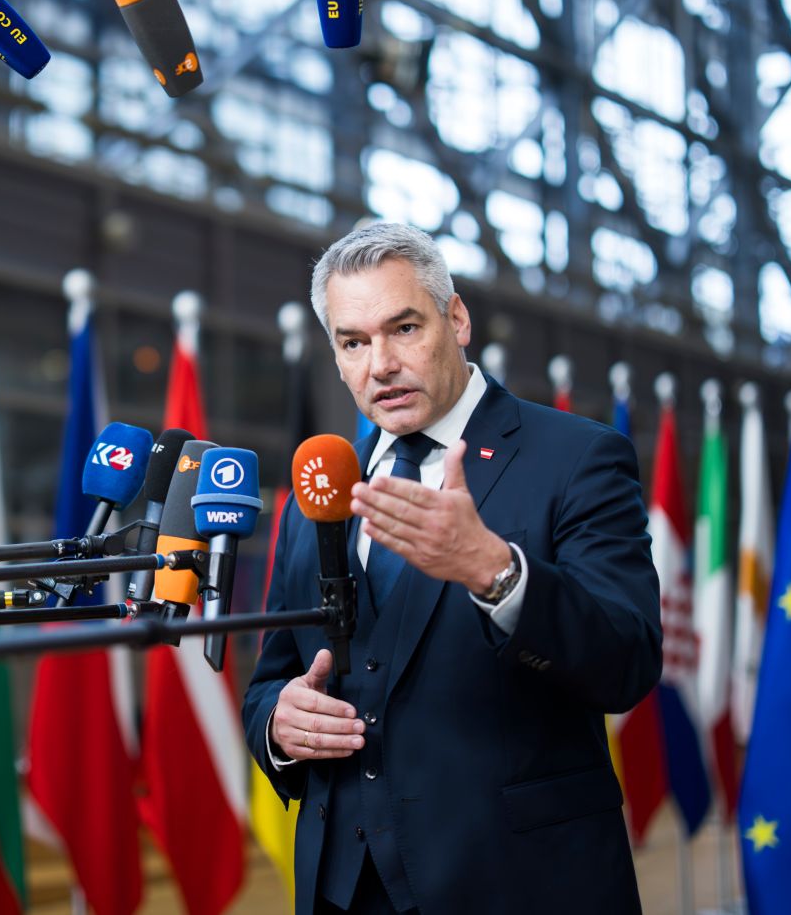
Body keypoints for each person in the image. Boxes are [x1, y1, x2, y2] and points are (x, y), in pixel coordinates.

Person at [242, 222, 661, 914]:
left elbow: (628, 659)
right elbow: (271, 680)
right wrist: (280, 728)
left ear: (457, 319)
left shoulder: (578, 457)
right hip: (344, 892)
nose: (381, 364)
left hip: (519, 887)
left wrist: (496, 571)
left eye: (403, 328)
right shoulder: (317, 492)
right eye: (354, 342)